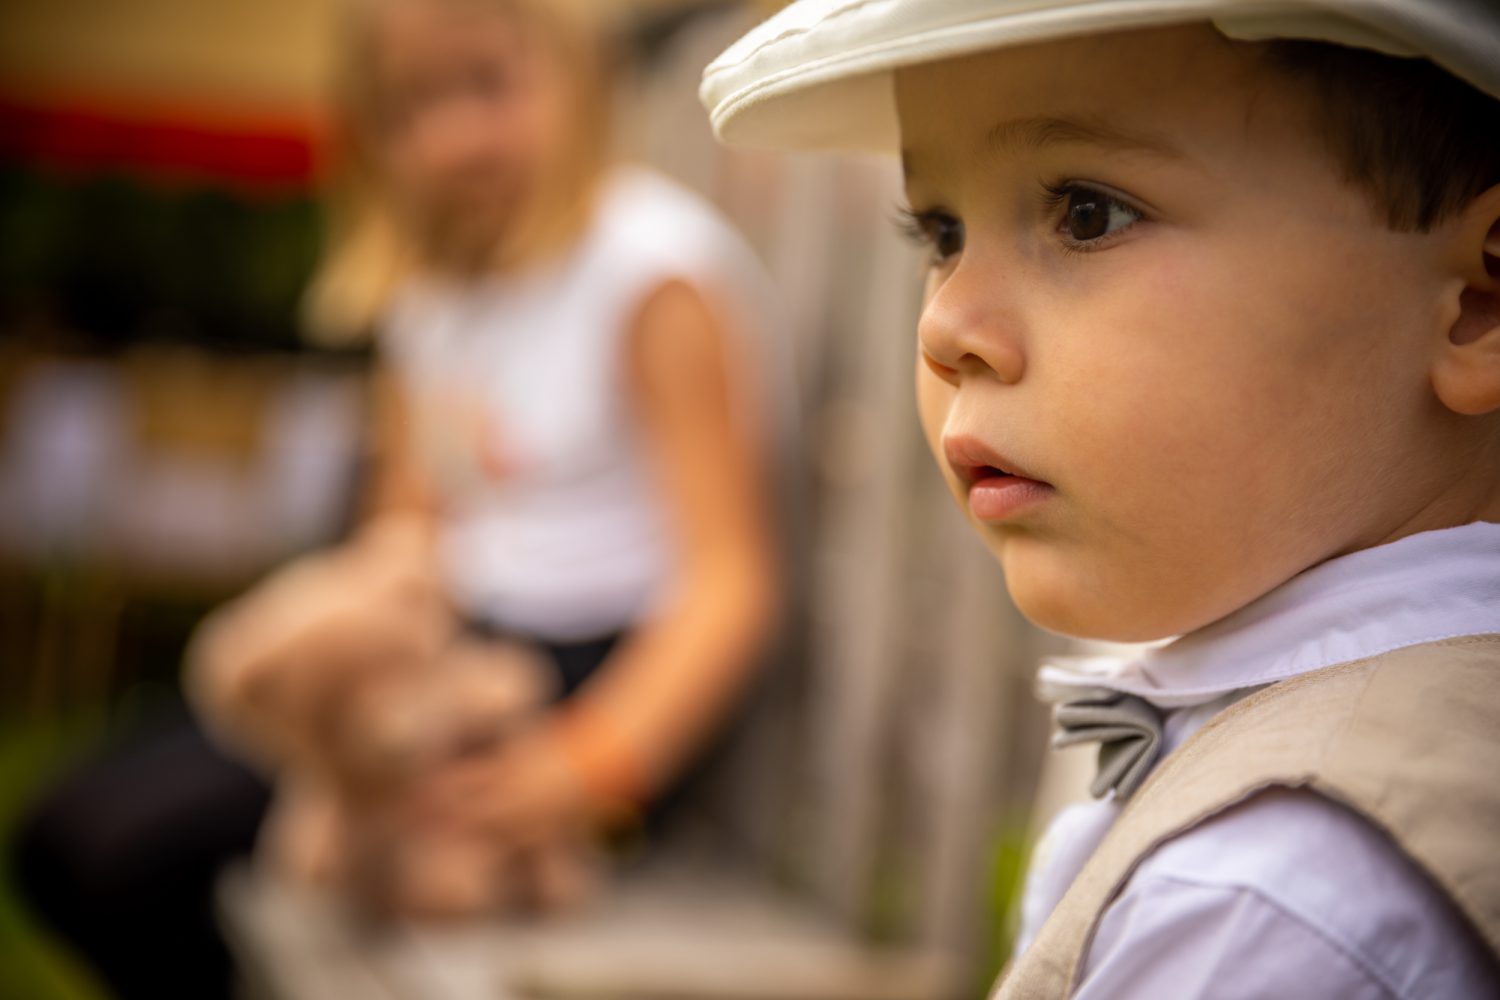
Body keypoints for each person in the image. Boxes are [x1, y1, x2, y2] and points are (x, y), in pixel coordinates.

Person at [700, 2, 1500, 997]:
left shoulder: (1270, 910)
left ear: (1479, 299)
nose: (947, 324)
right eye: (941, 231)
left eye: (1087, 212)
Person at [13, 1, 780, 995]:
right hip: (435, 655)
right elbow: (406, 530)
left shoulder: (649, 273)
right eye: (410, 106)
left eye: (485, 85)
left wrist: (584, 769)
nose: (452, 135)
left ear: (571, 76)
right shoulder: (433, 299)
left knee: (133, 860)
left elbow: (730, 582)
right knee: (61, 833)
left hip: (575, 681)